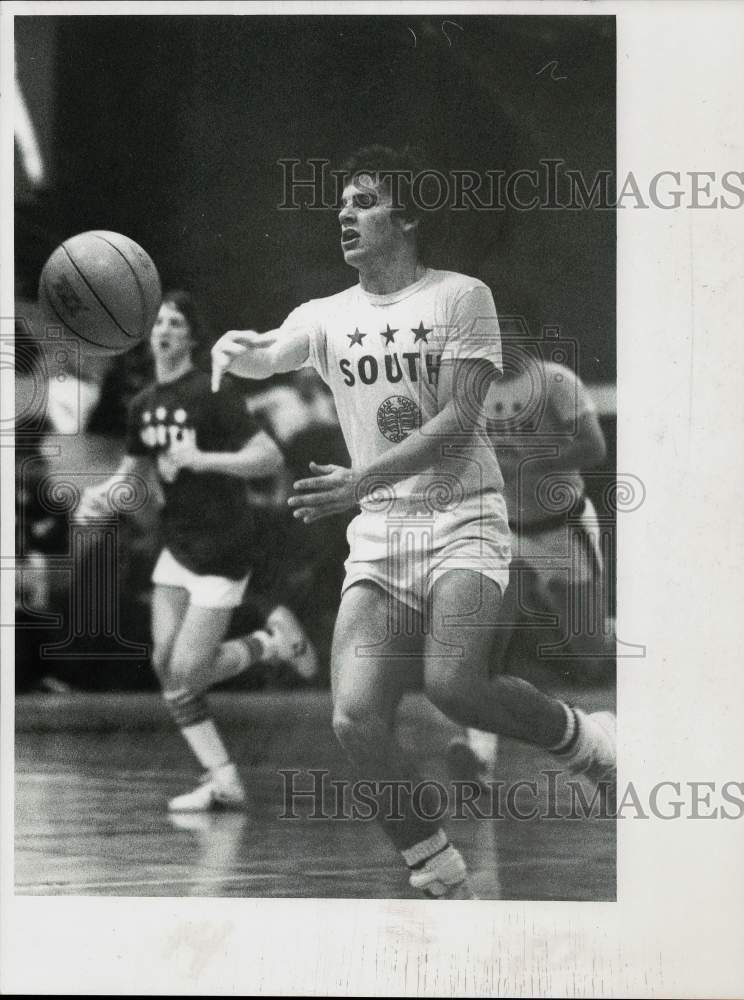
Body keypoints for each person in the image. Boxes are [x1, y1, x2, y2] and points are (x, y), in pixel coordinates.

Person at [211, 146, 615, 899]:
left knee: (455, 686)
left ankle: (587, 742)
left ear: (409, 215)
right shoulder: (327, 314)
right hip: (383, 533)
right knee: (354, 719)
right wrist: (237, 351)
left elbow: (461, 423)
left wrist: (361, 477)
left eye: (364, 200)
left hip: (465, 517)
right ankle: (435, 865)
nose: (345, 212)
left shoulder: (462, 297)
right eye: (341, 202)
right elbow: (270, 354)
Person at [78, 290, 318, 812]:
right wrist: (100, 499)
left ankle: (270, 646)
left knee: (188, 672)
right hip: (177, 543)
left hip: (223, 543)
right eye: (158, 323)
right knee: (167, 667)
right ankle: (224, 780)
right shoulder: (143, 405)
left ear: (190, 336)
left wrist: (201, 458)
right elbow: (132, 479)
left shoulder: (212, 391)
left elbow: (268, 458)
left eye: (175, 323)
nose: (164, 330)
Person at [447, 357, 611, 785]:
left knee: (591, 648)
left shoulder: (556, 380)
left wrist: (529, 464)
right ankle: (478, 751)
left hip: (562, 529)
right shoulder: (470, 388)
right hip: (508, 530)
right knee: (484, 650)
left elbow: (594, 447)